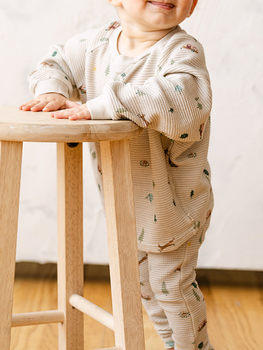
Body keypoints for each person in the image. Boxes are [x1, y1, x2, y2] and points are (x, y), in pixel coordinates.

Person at [20, 0, 214, 349]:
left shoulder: (182, 52)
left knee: (171, 287)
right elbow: (55, 62)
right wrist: (52, 89)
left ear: (193, 6)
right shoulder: (93, 46)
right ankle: (173, 345)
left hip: (175, 207)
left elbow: (180, 98)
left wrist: (104, 105)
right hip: (127, 204)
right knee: (146, 288)